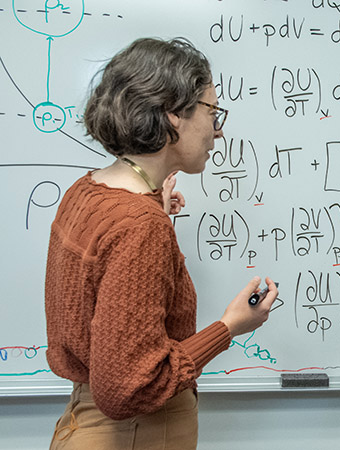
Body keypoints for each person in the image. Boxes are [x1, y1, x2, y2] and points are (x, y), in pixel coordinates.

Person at [44, 37, 277, 449]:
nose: (218, 131)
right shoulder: (138, 224)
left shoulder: (88, 192)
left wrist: (154, 204)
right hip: (135, 435)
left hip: (86, 424)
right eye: (212, 112)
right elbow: (127, 389)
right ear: (173, 117)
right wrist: (230, 328)